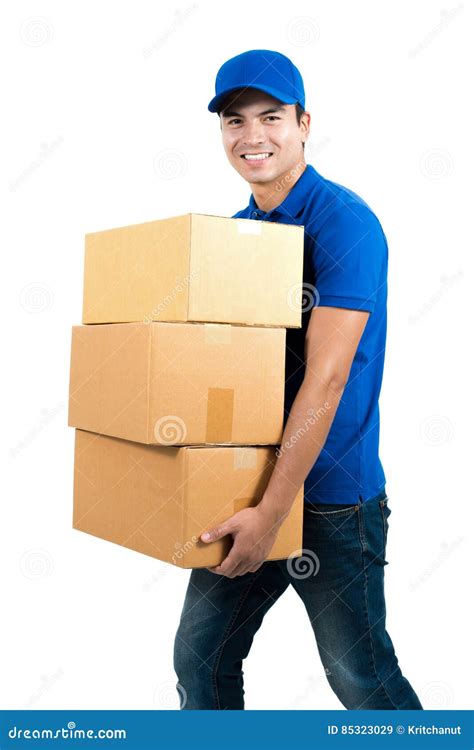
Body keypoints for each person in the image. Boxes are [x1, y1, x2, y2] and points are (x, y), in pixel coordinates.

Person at [173, 49, 423, 711]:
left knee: (361, 681)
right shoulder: (239, 235)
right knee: (201, 660)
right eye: (235, 120)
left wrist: (273, 514)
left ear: (304, 123)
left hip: (333, 503)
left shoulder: (344, 222)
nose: (252, 136)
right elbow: (220, 370)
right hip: (249, 490)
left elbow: (328, 377)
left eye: (271, 117)